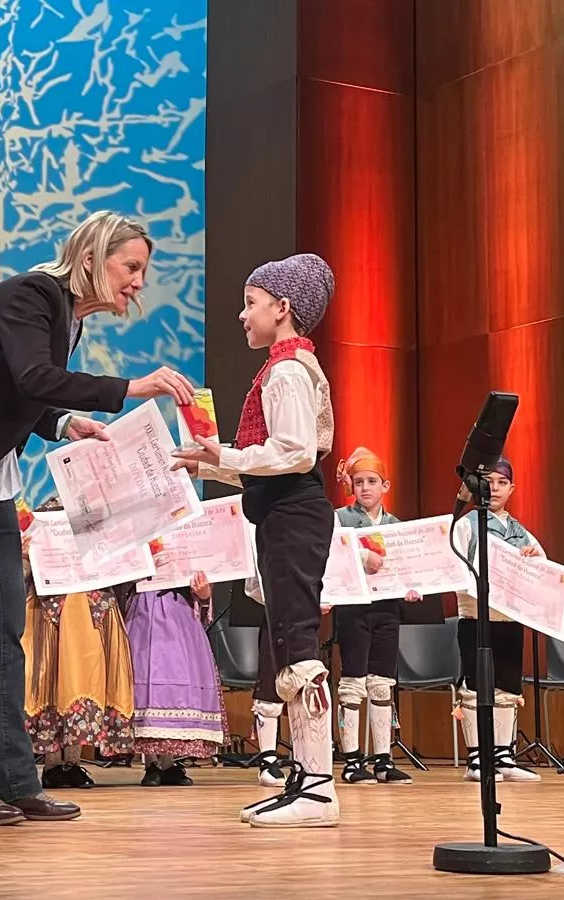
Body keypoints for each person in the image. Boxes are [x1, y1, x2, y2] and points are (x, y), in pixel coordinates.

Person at [0, 211, 194, 826]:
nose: (136, 284)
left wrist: (59, 422)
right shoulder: (32, 293)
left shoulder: (63, 313)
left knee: (3, 627)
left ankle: (15, 780)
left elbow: (22, 391)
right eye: (131, 268)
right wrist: (131, 387)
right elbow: (32, 375)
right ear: (96, 255)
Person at [174, 252, 340, 828]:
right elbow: (271, 459)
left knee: (296, 643)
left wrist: (225, 456)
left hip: (294, 514)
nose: (242, 315)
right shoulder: (284, 366)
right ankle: (307, 777)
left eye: (250, 303)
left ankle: (319, 788)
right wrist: (212, 463)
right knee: (286, 638)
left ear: (282, 307)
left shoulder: (289, 371)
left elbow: (293, 452)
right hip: (282, 513)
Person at [22, 499, 136, 788]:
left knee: (86, 681)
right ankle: (51, 765)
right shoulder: (47, 513)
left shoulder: (100, 514)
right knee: (52, 678)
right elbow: (27, 566)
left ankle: (72, 762)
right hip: (50, 608)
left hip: (90, 606)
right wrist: (25, 555)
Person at [451, 456, 544, 784]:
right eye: (488, 481)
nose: (494, 488)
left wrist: (533, 563)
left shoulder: (522, 534)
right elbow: (457, 568)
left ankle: (503, 755)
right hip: (476, 617)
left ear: (512, 488)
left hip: (509, 620)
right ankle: (477, 758)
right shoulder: (465, 525)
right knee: (476, 687)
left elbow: (542, 573)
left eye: (502, 482)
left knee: (506, 687)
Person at [332, 447, 419, 786]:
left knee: (383, 683)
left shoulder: (397, 526)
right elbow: (331, 559)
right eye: (358, 482)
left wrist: (412, 585)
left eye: (371, 481)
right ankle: (352, 759)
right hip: (354, 608)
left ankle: (383, 758)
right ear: (350, 486)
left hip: (386, 609)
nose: (365, 488)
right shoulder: (340, 520)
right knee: (353, 682)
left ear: (386, 485)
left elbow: (409, 565)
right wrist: (360, 555)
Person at [123, 570, 226, 787]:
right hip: (144, 605)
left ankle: (169, 762)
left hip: (180, 610)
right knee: (145, 677)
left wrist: (205, 594)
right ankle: (151, 762)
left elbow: (203, 579)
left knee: (178, 681)